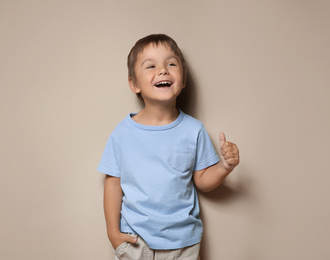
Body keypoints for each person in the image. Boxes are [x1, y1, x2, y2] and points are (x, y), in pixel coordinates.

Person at [98, 34, 240, 260]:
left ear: (182, 80)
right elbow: (113, 185)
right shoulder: (122, 133)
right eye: (151, 66)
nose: (163, 70)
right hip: (135, 240)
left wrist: (224, 166)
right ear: (134, 84)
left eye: (171, 64)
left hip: (183, 242)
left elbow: (202, 180)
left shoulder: (194, 130)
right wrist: (113, 233)